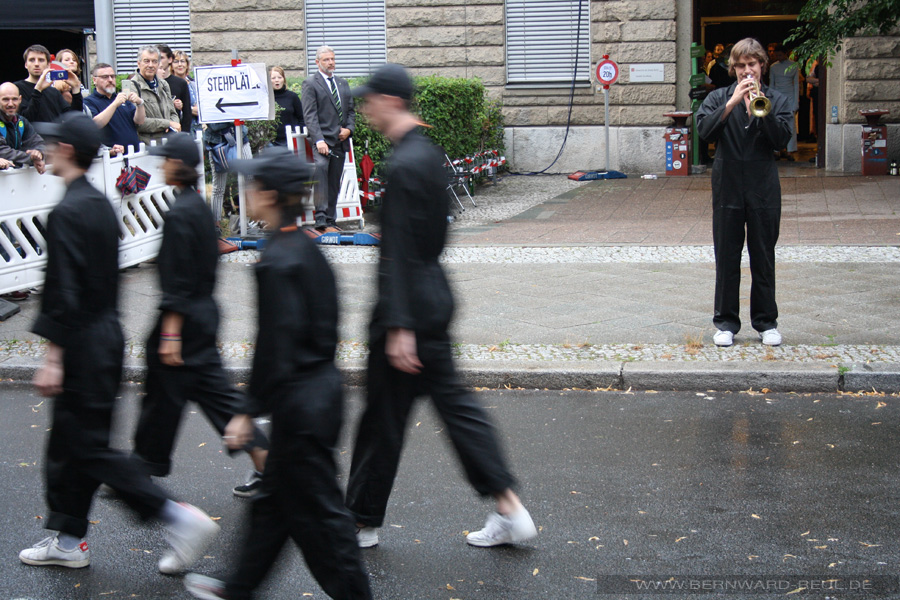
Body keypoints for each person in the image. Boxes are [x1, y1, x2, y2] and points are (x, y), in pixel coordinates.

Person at [344, 63, 537, 550]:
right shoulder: (428, 154)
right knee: (454, 407)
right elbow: (432, 237)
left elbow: (398, 249)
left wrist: (399, 325)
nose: (366, 110)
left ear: (391, 101)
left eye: (370, 101)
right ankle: (509, 506)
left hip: (406, 309)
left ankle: (360, 522)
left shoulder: (404, 164)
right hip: (433, 295)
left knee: (382, 419)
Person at [20, 113, 219, 574]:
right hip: (106, 336)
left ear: (67, 151)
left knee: (87, 449)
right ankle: (69, 539)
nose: (46, 149)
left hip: (82, 342)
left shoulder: (69, 211)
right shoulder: (101, 205)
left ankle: (175, 516)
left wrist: (54, 356)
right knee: (72, 446)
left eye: (52, 143)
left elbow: (64, 291)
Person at [183, 147, 372, 600]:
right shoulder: (305, 249)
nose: (246, 191)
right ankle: (238, 587)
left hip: (301, 404)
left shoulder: (277, 260)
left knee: (324, 520)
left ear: (269, 195)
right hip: (317, 395)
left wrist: (247, 411)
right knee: (273, 503)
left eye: (252, 184)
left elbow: (275, 345)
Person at [133, 133, 270, 498]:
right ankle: (142, 467)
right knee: (167, 395)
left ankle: (268, 463)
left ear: (178, 164)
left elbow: (180, 277)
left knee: (208, 396)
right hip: (200, 314)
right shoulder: (195, 205)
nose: (162, 166)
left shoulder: (182, 212)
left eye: (166, 160)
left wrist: (170, 333)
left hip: (185, 322)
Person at [696, 38, 793, 348]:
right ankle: (726, 323)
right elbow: (704, 132)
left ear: (762, 66)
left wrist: (759, 110)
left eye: (752, 64)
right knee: (727, 256)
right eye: (740, 65)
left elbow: (781, 140)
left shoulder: (776, 99)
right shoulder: (718, 98)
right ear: (733, 69)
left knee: (763, 256)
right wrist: (732, 104)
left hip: (763, 186)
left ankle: (766, 323)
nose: (746, 70)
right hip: (727, 187)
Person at [301, 45, 354, 229]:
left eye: (332, 59)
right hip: (322, 141)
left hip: (340, 141)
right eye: (326, 60)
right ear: (317, 62)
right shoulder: (310, 83)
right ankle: (321, 217)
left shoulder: (342, 83)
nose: (331, 62)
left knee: (334, 181)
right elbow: (310, 115)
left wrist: (349, 129)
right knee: (321, 171)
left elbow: (350, 111)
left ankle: (331, 219)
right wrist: (318, 140)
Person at [121, 45, 180, 144]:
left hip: (168, 143)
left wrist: (174, 124)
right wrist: (168, 124)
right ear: (139, 63)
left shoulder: (163, 84)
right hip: (147, 145)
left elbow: (172, 112)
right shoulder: (132, 87)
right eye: (146, 61)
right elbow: (139, 122)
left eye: (154, 61)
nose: (151, 65)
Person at [83, 63, 146, 156]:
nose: (110, 80)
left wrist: (139, 103)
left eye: (112, 76)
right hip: (112, 157)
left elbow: (139, 121)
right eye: (105, 77)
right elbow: (95, 124)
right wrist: (115, 104)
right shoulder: (89, 101)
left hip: (134, 154)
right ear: (94, 80)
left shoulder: (122, 98)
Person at [15, 44, 84, 123]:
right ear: (26, 64)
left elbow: (74, 119)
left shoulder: (54, 92)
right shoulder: (17, 88)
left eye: (41, 60)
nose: (36, 64)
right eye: (32, 60)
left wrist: (76, 89)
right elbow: (25, 119)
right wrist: (38, 90)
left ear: (48, 65)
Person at [0, 82, 46, 172]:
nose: (11, 104)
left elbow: (37, 142)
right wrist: (30, 158)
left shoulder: (21, 121)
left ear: (20, 99)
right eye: (5, 99)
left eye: (14, 99)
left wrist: (38, 153)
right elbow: (3, 151)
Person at [769, 44, 799, 160]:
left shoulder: (794, 65)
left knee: (791, 125)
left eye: (780, 55)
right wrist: (771, 101)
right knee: (776, 124)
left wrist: (796, 102)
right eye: (777, 55)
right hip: (777, 97)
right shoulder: (773, 67)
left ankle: (790, 151)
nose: (779, 57)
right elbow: (771, 85)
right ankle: (777, 150)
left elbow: (796, 85)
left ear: (785, 54)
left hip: (789, 96)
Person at [157, 44, 192, 135]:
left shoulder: (180, 83)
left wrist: (183, 136)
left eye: (161, 58)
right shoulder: (149, 82)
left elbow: (187, 114)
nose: (158, 61)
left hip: (175, 133)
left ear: (170, 60)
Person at [270, 66, 303, 146]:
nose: (277, 80)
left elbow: (302, 118)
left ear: (284, 79)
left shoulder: (292, 97)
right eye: (273, 78)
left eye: (279, 77)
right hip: (270, 142)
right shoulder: (266, 98)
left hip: (290, 140)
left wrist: (296, 133)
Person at [172, 50, 200, 135]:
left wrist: (185, 107)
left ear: (187, 64)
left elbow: (202, 111)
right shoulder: (168, 84)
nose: (180, 64)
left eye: (182, 61)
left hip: (198, 130)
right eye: (176, 61)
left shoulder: (194, 84)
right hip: (179, 131)